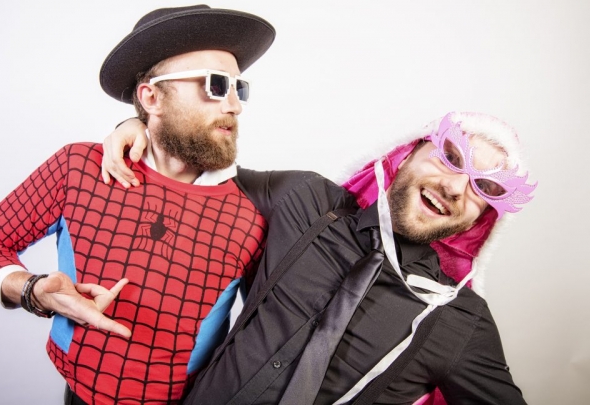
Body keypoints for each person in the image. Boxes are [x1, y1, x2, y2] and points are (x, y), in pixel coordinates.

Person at [0, 4, 275, 405]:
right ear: (151, 97)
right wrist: (33, 291)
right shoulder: (79, 167)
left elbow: (268, 332)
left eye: (239, 88)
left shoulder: (254, 211)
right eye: (216, 85)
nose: (234, 106)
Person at [103, 111, 535, 404]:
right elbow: (193, 173)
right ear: (408, 152)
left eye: (485, 188)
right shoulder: (305, 200)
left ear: (484, 216)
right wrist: (139, 125)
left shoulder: (459, 321)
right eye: (450, 158)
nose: (455, 187)